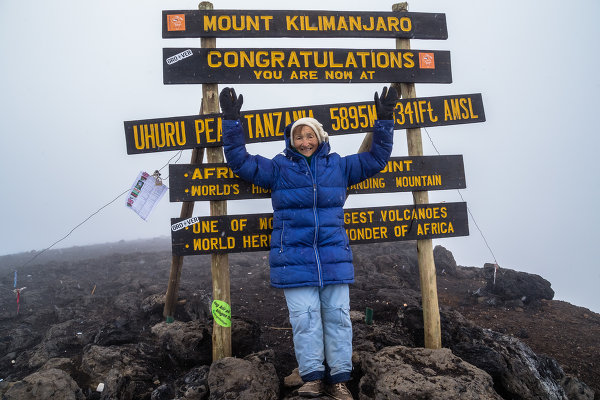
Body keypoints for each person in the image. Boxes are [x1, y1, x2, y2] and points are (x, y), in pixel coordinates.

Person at [219, 86, 398, 400]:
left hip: (333, 258)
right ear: (291, 141)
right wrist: (232, 122)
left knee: (339, 320)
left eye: (309, 135)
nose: (304, 141)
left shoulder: (339, 167)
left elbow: (376, 158)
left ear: (321, 137)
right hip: (293, 260)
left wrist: (384, 119)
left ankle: (340, 379)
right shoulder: (278, 168)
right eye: (298, 137)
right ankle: (312, 377)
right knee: (305, 321)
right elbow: (240, 161)